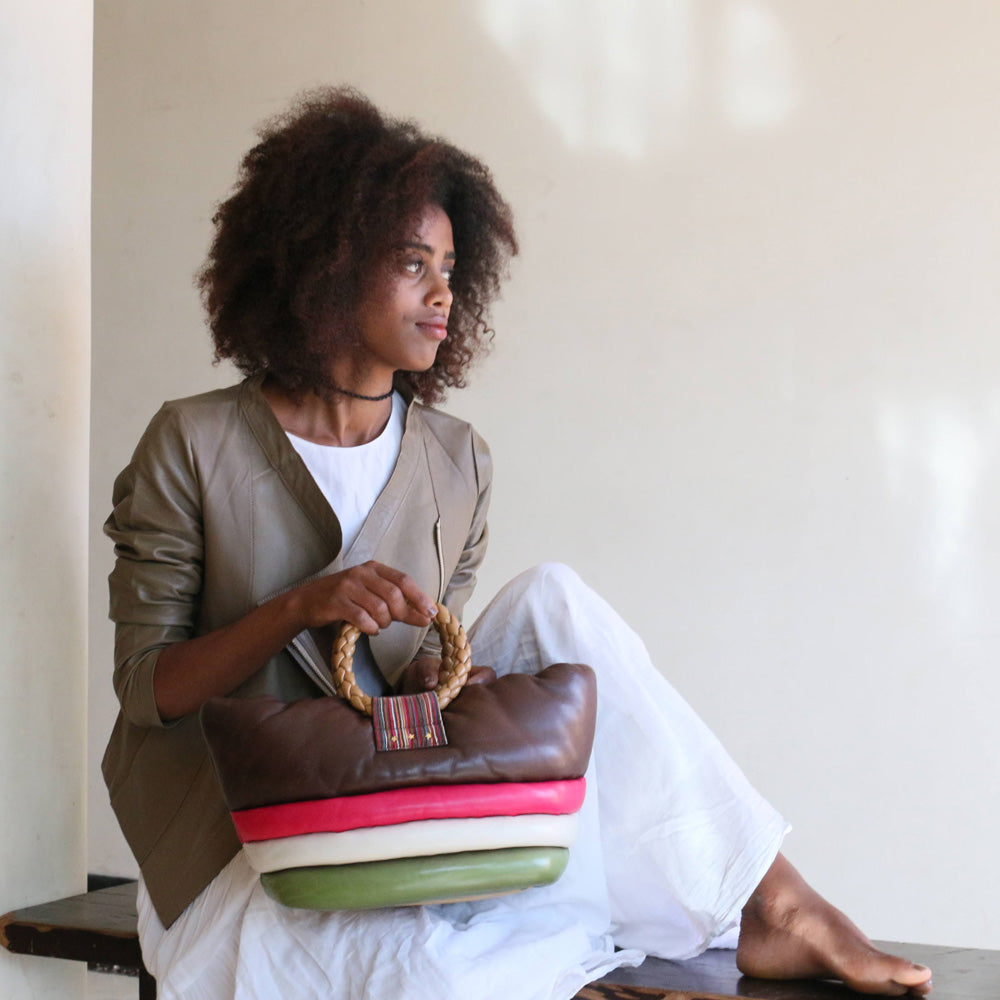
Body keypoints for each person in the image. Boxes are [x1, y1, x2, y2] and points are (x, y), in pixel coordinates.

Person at [102, 87, 933, 1000]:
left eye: (451, 268)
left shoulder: (456, 459)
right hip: (241, 848)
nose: (442, 294)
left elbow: (410, 673)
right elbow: (147, 688)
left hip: (381, 809)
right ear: (324, 266)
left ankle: (775, 900)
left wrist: (444, 679)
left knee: (553, 600)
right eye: (412, 263)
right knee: (444, 982)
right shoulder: (192, 442)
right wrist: (300, 606)